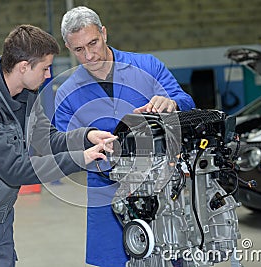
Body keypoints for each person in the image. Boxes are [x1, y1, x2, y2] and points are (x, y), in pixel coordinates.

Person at [0, 24, 116, 267]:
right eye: (45, 67)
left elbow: (45, 138)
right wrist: (81, 158)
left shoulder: (26, 94)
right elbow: (14, 169)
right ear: (23, 67)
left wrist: (86, 136)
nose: (48, 75)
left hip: (1, 210)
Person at [54, 6, 196, 267]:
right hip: (106, 191)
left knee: (171, 256)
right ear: (68, 48)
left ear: (104, 33)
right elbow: (61, 143)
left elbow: (187, 102)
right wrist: (87, 139)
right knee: (114, 260)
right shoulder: (66, 93)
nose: (89, 55)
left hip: (161, 184)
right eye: (78, 50)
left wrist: (171, 103)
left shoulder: (147, 67)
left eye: (93, 43)